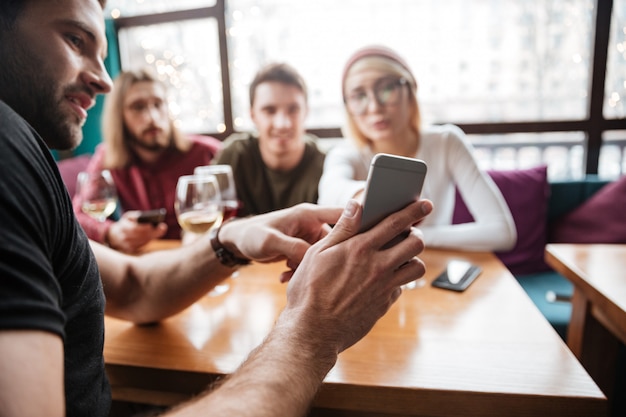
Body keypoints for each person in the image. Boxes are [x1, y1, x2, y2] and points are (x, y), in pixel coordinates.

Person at [0, 2, 433, 417]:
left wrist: (230, 239)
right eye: (75, 39)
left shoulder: (27, 156)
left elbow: (134, 287)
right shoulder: (9, 157)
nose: (104, 80)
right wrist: (313, 329)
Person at [318, 45, 516, 252]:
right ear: (347, 106)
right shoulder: (344, 154)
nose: (374, 107)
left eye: (386, 89)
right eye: (359, 96)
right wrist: (363, 194)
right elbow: (329, 194)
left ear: (410, 90)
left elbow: (501, 232)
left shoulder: (446, 142)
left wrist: (407, 236)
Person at [73, 68, 223, 253]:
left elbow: (240, 208)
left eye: (158, 104)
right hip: (145, 261)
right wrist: (111, 232)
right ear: (120, 116)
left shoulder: (207, 152)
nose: (152, 117)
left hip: (205, 255)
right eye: (138, 107)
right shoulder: (107, 157)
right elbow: (77, 214)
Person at [213, 62, 326, 216]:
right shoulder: (235, 155)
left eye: (293, 109)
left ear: (306, 112)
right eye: (269, 111)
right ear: (253, 115)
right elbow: (197, 232)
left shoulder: (326, 164)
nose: (282, 124)